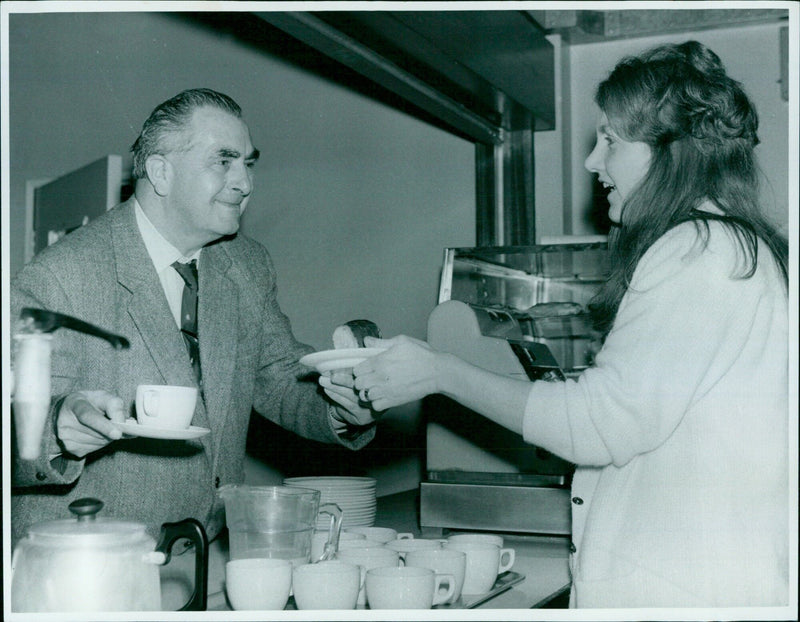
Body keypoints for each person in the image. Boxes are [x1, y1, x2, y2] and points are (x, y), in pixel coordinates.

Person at [339, 41, 790, 608]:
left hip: (680, 590)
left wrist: (442, 372)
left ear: (669, 153)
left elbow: (596, 423)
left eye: (611, 141)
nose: (591, 162)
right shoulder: (729, 247)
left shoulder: (696, 253)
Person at [11, 88, 377, 545]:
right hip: (96, 567)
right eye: (223, 161)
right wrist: (58, 428)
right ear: (161, 172)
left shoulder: (247, 264)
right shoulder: (60, 276)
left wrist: (347, 404)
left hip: (205, 555)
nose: (245, 182)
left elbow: (280, 376)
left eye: (248, 162)